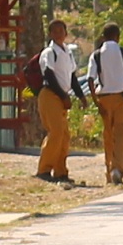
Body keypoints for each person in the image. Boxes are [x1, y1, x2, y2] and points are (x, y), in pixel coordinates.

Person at [87, 22, 123, 185]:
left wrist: (95, 101)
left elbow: (90, 80)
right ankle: (117, 169)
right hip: (121, 98)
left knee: (108, 135)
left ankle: (109, 170)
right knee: (121, 134)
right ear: (118, 37)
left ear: (103, 37)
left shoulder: (96, 55)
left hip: (104, 98)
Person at [34, 19, 84, 182]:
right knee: (56, 132)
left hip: (62, 96)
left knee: (64, 135)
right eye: (54, 32)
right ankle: (44, 169)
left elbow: (72, 77)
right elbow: (49, 75)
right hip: (50, 95)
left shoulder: (67, 52)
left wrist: (81, 96)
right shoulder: (49, 52)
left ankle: (60, 171)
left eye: (61, 31)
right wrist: (63, 96)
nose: (58, 34)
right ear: (50, 34)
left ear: (66, 33)